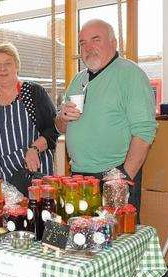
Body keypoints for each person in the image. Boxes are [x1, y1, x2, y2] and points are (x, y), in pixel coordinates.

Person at [55, 19, 157, 212]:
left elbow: (145, 131)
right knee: (81, 235)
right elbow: (60, 127)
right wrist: (62, 116)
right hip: (79, 176)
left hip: (115, 175)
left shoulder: (130, 75)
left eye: (96, 39)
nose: (88, 47)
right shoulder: (78, 79)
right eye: (83, 43)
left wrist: (124, 178)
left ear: (114, 43)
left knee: (119, 238)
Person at [0, 43, 59, 181]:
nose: (2, 68)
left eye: (8, 63)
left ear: (17, 66)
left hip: (32, 176)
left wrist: (35, 149)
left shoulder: (33, 93)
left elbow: (54, 129)